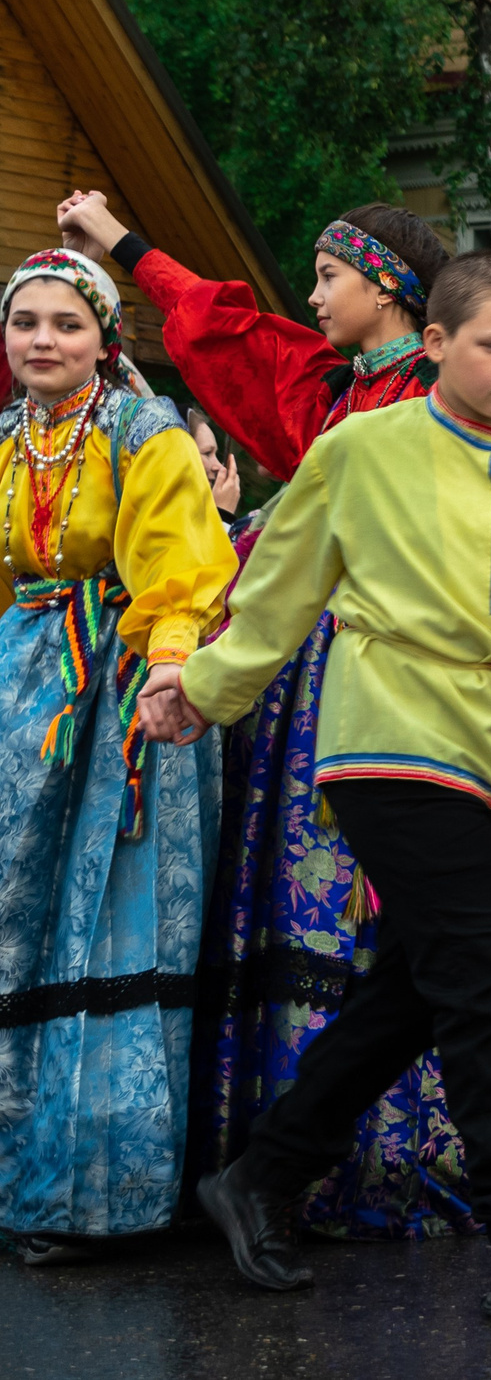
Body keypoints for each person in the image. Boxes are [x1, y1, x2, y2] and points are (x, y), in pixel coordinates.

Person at [163, 251, 491, 1324]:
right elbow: (278, 589)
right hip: (387, 735)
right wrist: (205, 689)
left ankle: (260, 1175)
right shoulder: (360, 449)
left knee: (415, 990)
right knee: (483, 988)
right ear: (436, 342)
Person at [53, 190, 477, 1240]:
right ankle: (282, 1153)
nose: (314, 295)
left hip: (401, 676)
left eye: (331, 277)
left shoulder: (445, 397)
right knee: (299, 893)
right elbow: (224, 327)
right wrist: (120, 244)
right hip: (307, 677)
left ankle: (384, 1147)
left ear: (388, 288)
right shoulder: (332, 392)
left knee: (387, 904)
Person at [0, 249, 235, 1261]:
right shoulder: (7, 439)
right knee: (18, 911)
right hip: (21, 686)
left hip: (127, 687)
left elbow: (183, 565)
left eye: (67, 322)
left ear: (105, 338)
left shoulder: (145, 432)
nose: (43, 340)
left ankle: (96, 1193)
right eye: (25, 322)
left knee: (105, 915)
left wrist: (168, 669)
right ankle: (17, 1170)